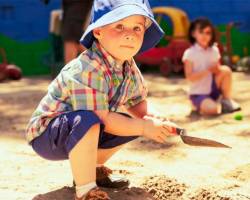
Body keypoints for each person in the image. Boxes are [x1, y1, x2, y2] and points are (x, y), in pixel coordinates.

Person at [26, 0, 180, 199]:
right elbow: (102, 118)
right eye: (119, 26)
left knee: (132, 122)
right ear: (98, 31)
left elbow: (137, 104)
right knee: (94, 119)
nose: (129, 34)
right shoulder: (88, 67)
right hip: (48, 134)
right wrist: (143, 127)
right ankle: (86, 190)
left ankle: (92, 169)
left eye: (137, 28)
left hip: (82, 126)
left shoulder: (128, 67)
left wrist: (154, 119)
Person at [182, 18, 241, 115]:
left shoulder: (214, 50)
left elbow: (218, 70)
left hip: (213, 89)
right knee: (213, 110)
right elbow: (190, 77)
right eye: (201, 32)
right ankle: (196, 105)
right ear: (193, 34)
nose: (205, 36)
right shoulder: (190, 53)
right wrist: (208, 70)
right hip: (198, 93)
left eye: (208, 33)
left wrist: (217, 69)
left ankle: (226, 101)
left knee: (226, 70)